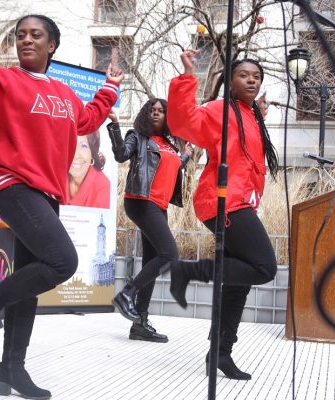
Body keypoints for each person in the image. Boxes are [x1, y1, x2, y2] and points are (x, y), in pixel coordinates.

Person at [0, 2, 122, 398]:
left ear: (53, 46)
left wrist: (110, 87)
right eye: (21, 34)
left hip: (46, 194)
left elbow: (88, 119)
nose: (26, 39)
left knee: (29, 283)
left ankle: (10, 370)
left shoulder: (63, 94)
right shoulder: (1, 81)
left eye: (36, 35)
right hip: (12, 184)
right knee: (63, 261)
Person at [165, 52, 279, 381]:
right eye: (244, 74)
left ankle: (220, 353)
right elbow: (183, 122)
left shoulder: (249, 114)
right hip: (222, 201)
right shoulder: (220, 110)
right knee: (264, 267)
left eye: (257, 75)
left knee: (237, 284)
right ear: (230, 81)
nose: (252, 79)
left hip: (241, 201)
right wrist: (187, 76)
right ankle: (186, 271)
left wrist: (258, 116)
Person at [109, 100, 192, 343]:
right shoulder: (139, 137)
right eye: (152, 110)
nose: (156, 114)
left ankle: (140, 324)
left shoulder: (169, 144)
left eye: (162, 111)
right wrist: (115, 126)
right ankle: (127, 294)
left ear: (168, 117)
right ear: (146, 115)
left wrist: (185, 155)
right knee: (169, 254)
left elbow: (173, 167)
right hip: (141, 200)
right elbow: (121, 154)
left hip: (159, 206)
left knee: (151, 260)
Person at [68, 130, 110, 208]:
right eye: (70, 144)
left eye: (83, 146)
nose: (76, 155)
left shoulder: (104, 191)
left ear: (92, 152)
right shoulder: (57, 179)